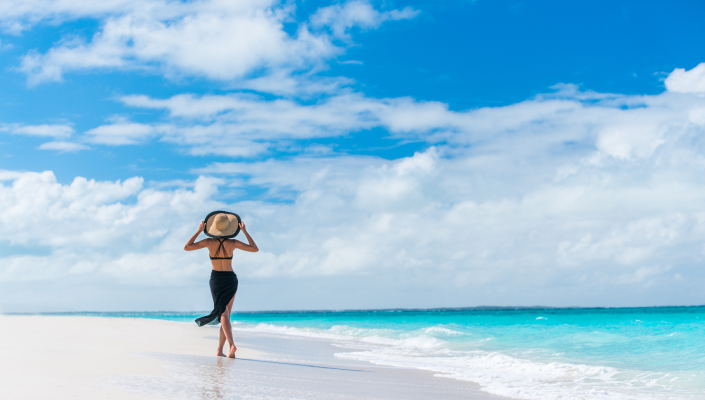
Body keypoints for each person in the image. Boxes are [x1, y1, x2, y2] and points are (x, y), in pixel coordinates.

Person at [184, 212, 259, 358]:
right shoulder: (233, 243)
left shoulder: (208, 242)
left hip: (217, 279)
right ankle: (220, 350)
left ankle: (231, 345)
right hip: (230, 279)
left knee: (223, 313)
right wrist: (244, 231)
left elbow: (187, 247)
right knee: (226, 315)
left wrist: (198, 231)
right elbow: (254, 248)